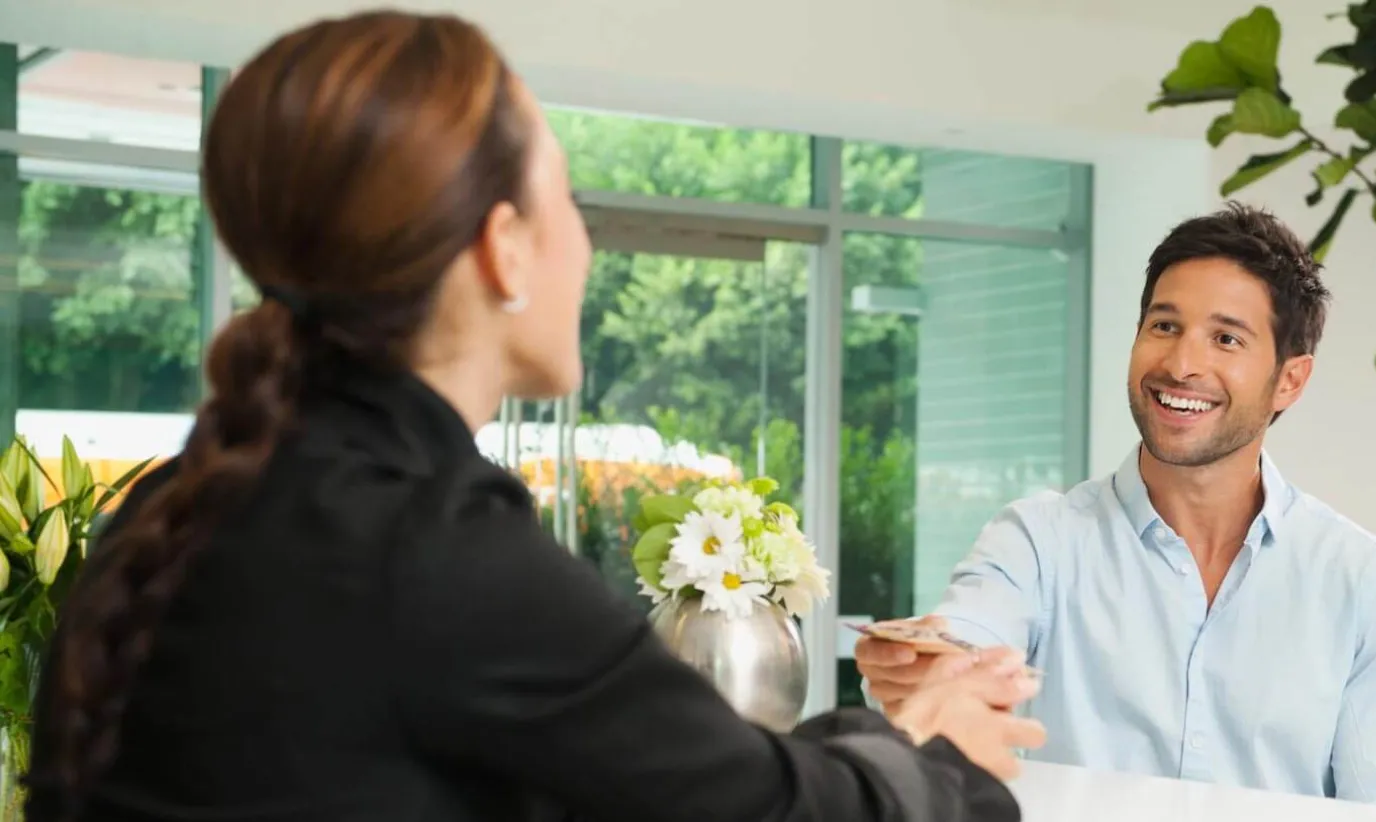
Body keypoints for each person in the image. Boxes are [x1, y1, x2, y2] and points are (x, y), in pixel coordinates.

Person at [25, 11, 1044, 822]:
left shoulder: (188, 503)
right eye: (568, 202)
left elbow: (672, 782)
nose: (586, 251)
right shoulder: (432, 550)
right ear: (505, 247)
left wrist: (895, 741)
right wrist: (941, 759)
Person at [854, 203, 1376, 811]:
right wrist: (919, 665)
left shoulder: (1362, 581)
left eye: (1226, 338)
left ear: (1290, 379)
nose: (1182, 365)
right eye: (1164, 326)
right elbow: (965, 640)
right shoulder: (1039, 541)